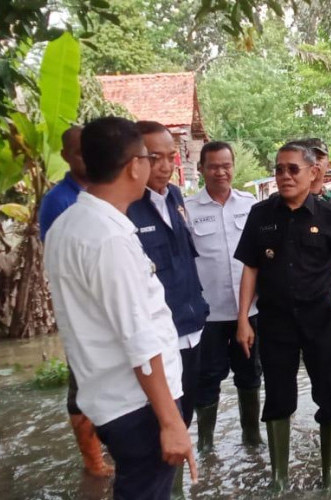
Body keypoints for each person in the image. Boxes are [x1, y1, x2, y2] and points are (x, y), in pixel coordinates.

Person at [44, 117, 196, 499]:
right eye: (149, 156)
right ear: (134, 165)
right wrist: (170, 421)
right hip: (137, 405)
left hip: (109, 397)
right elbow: (139, 339)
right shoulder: (108, 237)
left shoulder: (70, 224)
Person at [234, 142, 331, 490]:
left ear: (313, 173)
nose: (284, 176)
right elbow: (250, 270)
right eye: (279, 169)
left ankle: (330, 475)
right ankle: (278, 477)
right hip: (275, 323)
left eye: (292, 169)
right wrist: (243, 318)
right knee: (277, 397)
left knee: (330, 396)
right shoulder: (261, 215)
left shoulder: (329, 214)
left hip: (321, 320)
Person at [38, 125, 114, 478]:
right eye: (79, 151)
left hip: (113, 307)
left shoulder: (107, 191)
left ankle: (112, 449)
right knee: (82, 384)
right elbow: (61, 262)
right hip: (84, 312)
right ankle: (94, 463)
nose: (87, 157)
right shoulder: (58, 201)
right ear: (66, 156)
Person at [127, 121, 209, 432]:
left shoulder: (175, 196)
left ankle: (178, 480)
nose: (165, 167)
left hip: (191, 328)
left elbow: (184, 258)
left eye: (170, 157)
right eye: (154, 157)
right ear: (134, 159)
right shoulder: (126, 207)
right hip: (157, 338)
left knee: (185, 415)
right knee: (158, 424)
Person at [184, 141, 263, 451]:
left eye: (226, 165)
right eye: (213, 166)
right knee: (207, 378)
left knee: (250, 375)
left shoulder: (250, 204)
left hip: (250, 311)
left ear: (233, 167)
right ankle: (205, 444)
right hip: (209, 314)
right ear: (202, 169)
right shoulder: (189, 210)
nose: (221, 172)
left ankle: (252, 438)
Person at [305, 138, 331, 206]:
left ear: (328, 165)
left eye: (319, 158)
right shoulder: (289, 197)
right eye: (309, 158)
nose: (314, 162)